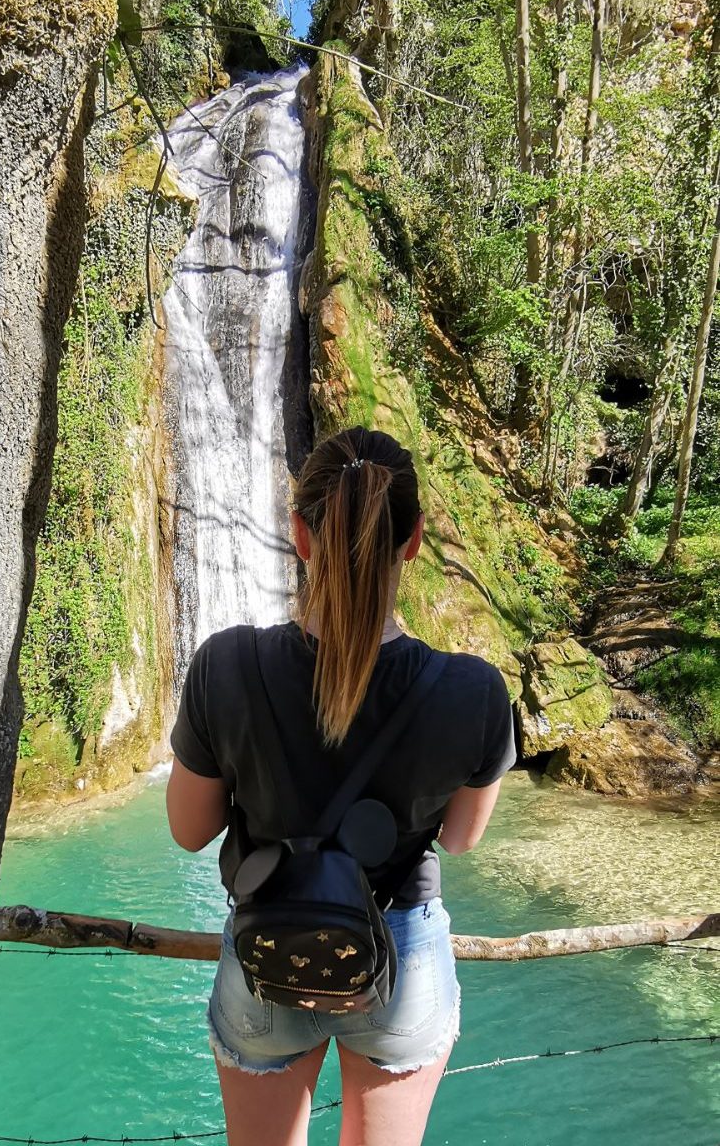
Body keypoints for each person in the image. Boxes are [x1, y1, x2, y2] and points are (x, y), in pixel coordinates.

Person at [166, 425, 515, 1146]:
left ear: (300, 533)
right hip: (400, 956)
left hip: (267, 949)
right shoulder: (473, 691)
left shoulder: (224, 666)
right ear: (413, 539)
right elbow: (461, 837)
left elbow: (189, 828)